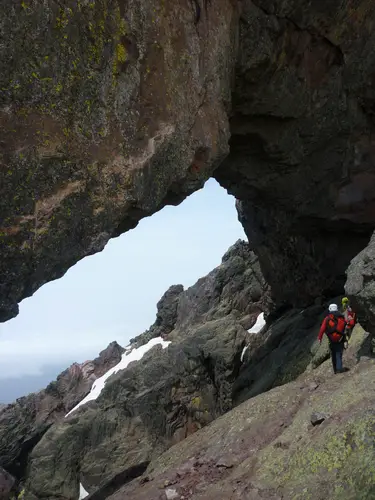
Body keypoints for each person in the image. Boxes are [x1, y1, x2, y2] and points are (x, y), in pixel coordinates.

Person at [318, 304, 348, 374]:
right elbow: (344, 326)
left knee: (333, 354)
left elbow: (322, 328)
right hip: (340, 338)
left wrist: (320, 338)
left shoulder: (327, 318)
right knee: (339, 353)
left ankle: (335, 370)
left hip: (331, 339)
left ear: (330, 309)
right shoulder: (341, 317)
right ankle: (339, 368)